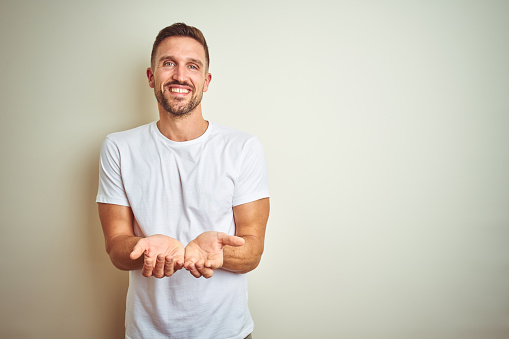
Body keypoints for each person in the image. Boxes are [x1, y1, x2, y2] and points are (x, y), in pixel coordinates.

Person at [96, 23, 270, 339]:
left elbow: (253, 251)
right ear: (151, 76)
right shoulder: (119, 148)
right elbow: (116, 248)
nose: (180, 75)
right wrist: (144, 246)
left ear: (206, 81)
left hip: (228, 332)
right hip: (147, 332)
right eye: (168, 63)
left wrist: (218, 255)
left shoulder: (242, 148)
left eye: (192, 66)